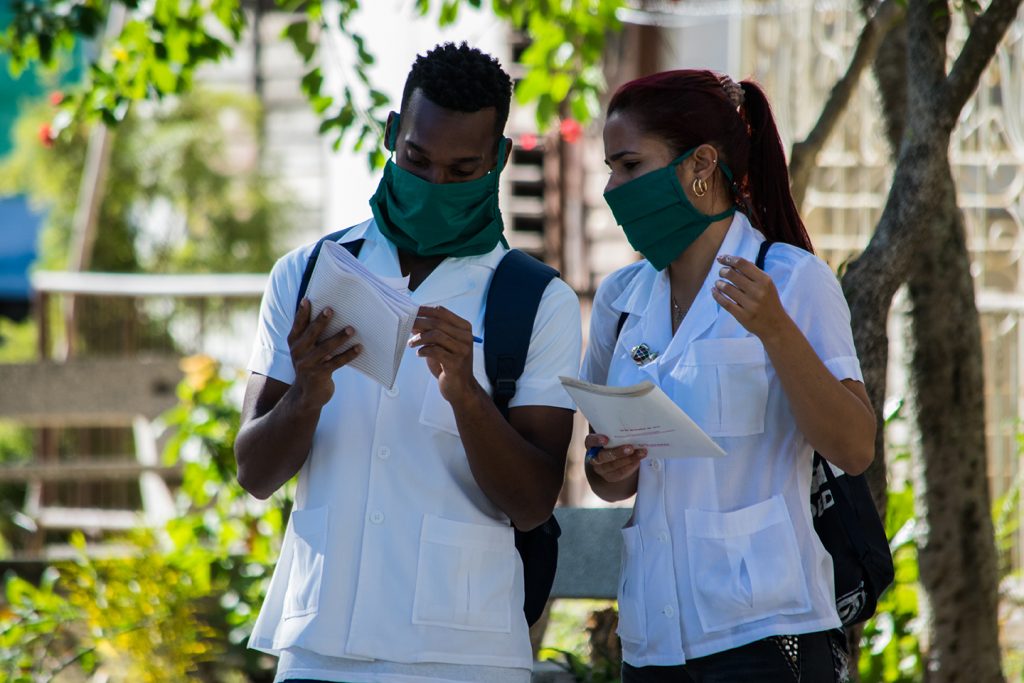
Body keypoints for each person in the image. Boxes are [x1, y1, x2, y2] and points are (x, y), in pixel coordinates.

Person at [235, 43, 581, 683]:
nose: (434, 186)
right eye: (417, 161)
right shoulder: (308, 274)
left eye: (462, 169)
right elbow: (255, 473)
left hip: (464, 655)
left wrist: (467, 395)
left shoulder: (536, 299)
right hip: (319, 646)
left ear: (500, 159)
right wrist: (307, 393)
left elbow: (534, 503)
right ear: (394, 134)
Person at [581, 70, 876, 682]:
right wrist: (607, 468)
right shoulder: (621, 298)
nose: (612, 188)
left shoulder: (791, 280)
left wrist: (776, 330)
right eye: (610, 168)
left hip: (766, 629)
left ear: (701, 165)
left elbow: (854, 447)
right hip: (652, 636)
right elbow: (610, 478)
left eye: (630, 166)